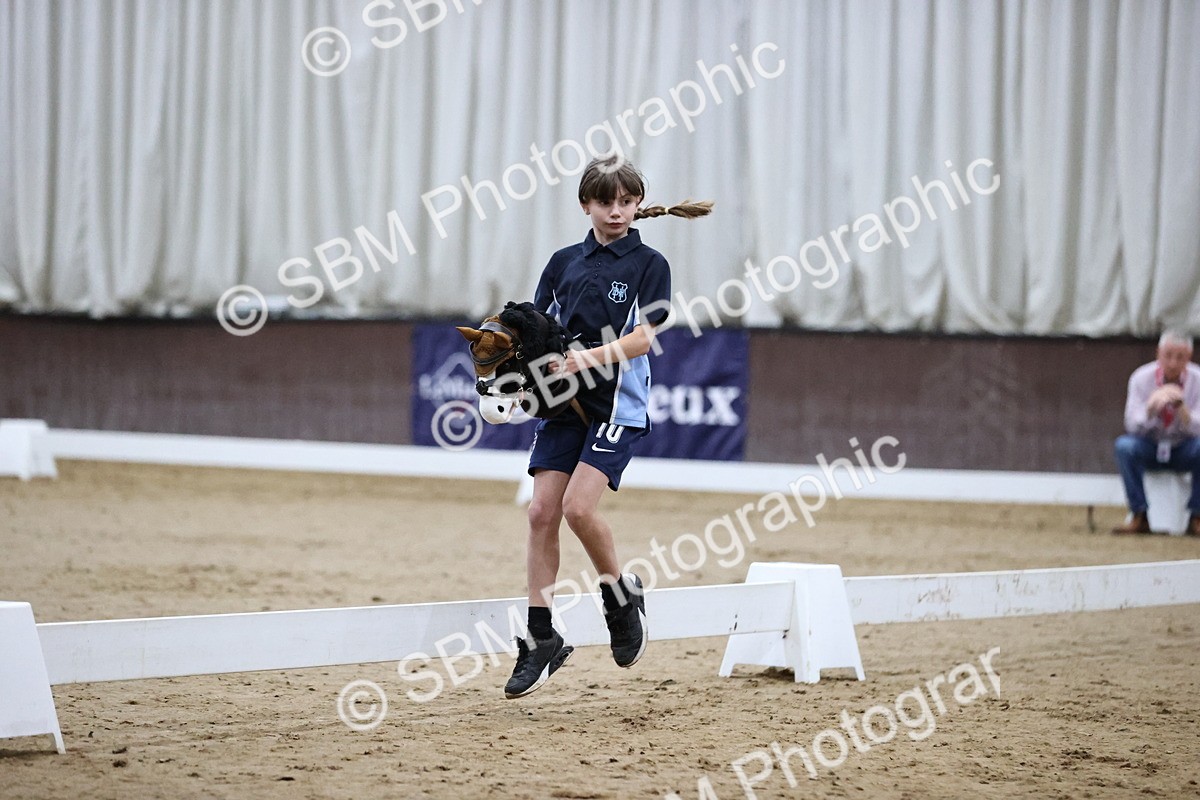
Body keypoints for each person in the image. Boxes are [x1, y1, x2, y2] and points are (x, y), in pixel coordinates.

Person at [504, 155, 712, 698]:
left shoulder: (650, 263)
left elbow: (643, 339)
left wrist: (584, 359)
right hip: (562, 404)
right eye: (605, 202)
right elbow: (539, 326)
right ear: (585, 205)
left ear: (638, 203)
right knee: (540, 512)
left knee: (578, 508)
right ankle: (541, 636)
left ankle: (619, 597)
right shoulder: (562, 261)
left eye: (626, 201)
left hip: (616, 404)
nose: (616, 211)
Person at [1112, 330, 1200, 535]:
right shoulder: (1141, 378)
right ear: (1158, 353)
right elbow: (1131, 425)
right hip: (1149, 446)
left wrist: (1183, 411)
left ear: (1189, 357)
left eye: (1180, 357)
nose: (1173, 363)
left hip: (1183, 448)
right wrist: (1150, 409)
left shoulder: (1197, 380)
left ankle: (1197, 515)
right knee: (1124, 446)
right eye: (1168, 355)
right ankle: (1139, 514)